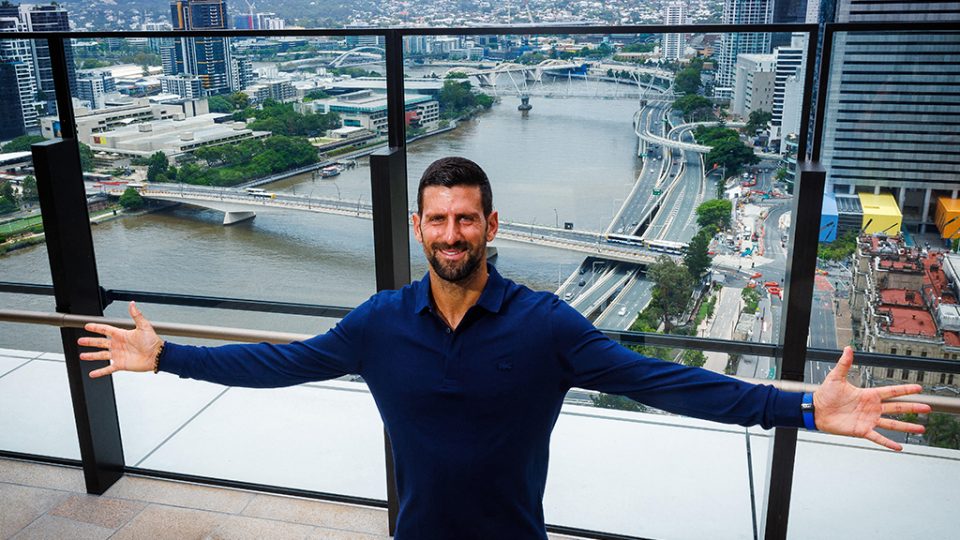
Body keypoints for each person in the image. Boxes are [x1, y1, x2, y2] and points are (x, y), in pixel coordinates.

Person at [79, 157, 930, 539]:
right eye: (437, 219)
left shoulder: (547, 326)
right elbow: (281, 362)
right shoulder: (379, 323)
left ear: (492, 226)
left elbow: (666, 384)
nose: (452, 233)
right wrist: (169, 356)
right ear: (419, 229)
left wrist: (806, 409)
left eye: (467, 218)